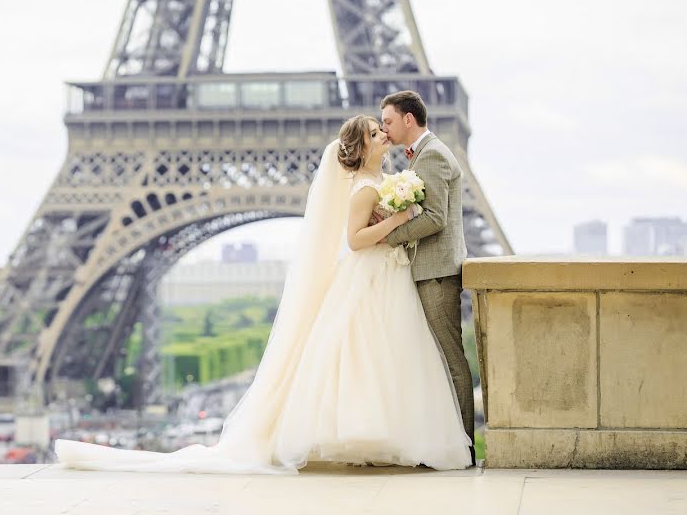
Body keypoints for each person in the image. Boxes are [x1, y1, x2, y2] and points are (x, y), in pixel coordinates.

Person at [55, 114, 472, 474]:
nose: (383, 133)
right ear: (362, 144)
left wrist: (397, 220)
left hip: (384, 275)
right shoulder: (366, 186)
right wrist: (397, 220)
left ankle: (384, 435)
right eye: (375, 132)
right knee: (372, 355)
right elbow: (356, 239)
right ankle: (374, 435)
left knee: (384, 355)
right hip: (372, 272)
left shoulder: (383, 179)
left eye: (384, 128)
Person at [378, 90, 476, 465]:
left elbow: (434, 218)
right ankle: (452, 444)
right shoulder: (424, 153)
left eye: (387, 121)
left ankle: (464, 449)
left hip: (436, 274)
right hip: (430, 271)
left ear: (407, 119)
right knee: (438, 360)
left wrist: (388, 236)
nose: (384, 128)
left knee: (450, 360)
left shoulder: (432, 154)